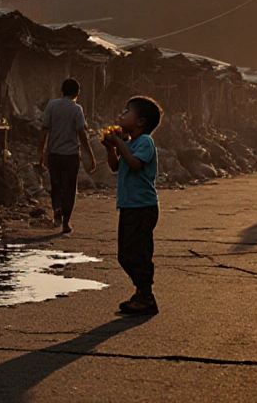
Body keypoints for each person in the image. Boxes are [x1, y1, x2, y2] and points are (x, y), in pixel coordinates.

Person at [101, 96, 162, 316]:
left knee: (138, 253)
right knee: (125, 254)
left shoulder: (145, 142)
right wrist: (111, 148)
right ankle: (141, 292)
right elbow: (116, 166)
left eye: (127, 112)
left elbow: (136, 164)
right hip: (129, 206)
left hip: (143, 207)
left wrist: (119, 144)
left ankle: (146, 297)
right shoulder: (129, 143)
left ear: (140, 122)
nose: (121, 114)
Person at [34, 78, 96, 233]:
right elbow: (82, 133)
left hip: (53, 153)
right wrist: (90, 155)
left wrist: (39, 154)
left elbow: (44, 131)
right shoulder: (77, 109)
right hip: (71, 155)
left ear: (62, 91)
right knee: (70, 188)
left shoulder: (52, 105)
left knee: (56, 184)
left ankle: (57, 212)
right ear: (77, 93)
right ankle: (66, 222)